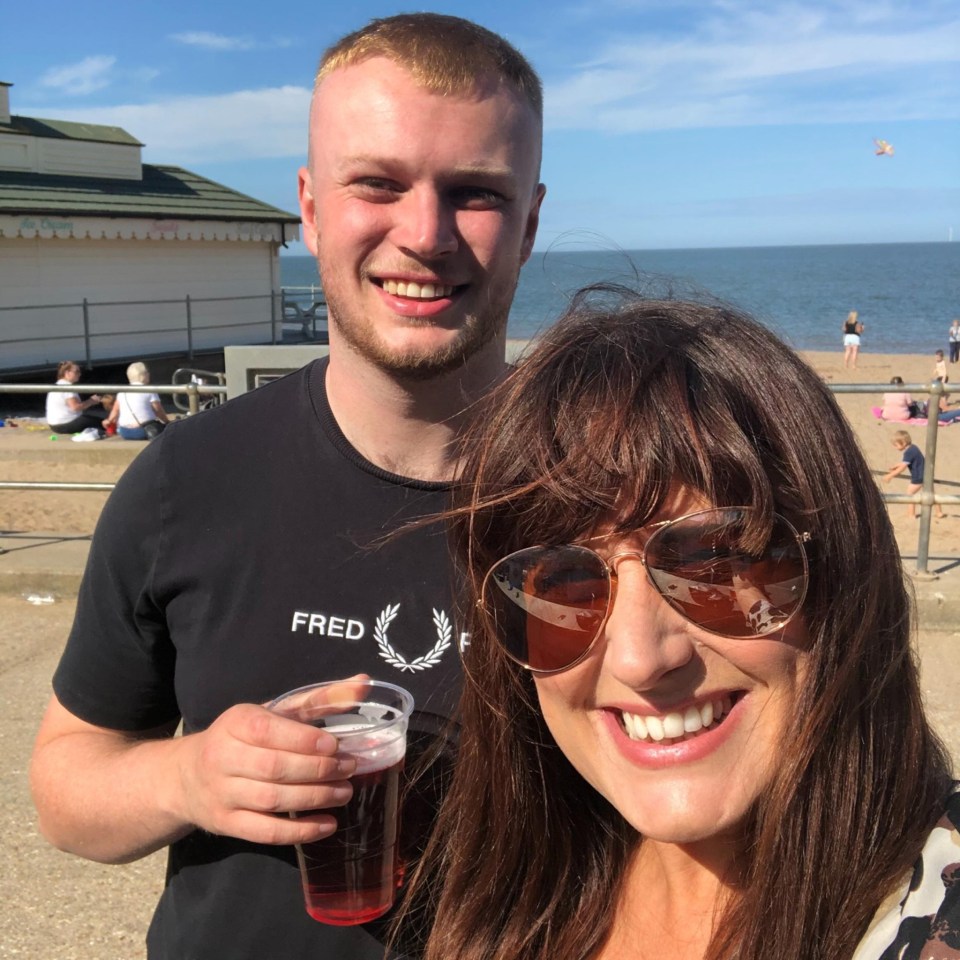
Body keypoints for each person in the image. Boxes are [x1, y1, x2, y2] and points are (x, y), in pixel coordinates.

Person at [29, 13, 544, 960]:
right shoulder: (185, 482)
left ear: (531, 222)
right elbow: (65, 789)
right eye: (377, 184)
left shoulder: (605, 498)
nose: (424, 235)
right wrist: (189, 777)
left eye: (474, 193)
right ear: (309, 208)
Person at [398, 289, 957, 960]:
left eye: (717, 563)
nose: (639, 658)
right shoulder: (514, 891)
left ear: (837, 570)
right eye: (564, 587)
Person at [883, 429, 945, 518]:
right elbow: (906, 462)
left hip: (918, 477)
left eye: (896, 445)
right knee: (931, 493)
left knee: (910, 493)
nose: (895, 448)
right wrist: (896, 465)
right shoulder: (914, 448)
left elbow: (903, 468)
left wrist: (890, 476)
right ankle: (939, 512)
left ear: (903, 443)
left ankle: (911, 514)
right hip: (927, 474)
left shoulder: (908, 453)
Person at [104, 361, 170, 440]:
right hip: (144, 430)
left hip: (125, 431)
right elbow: (158, 410)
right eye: (147, 373)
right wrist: (167, 422)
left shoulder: (122, 392)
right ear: (144, 375)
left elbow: (115, 412)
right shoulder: (149, 390)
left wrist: (108, 421)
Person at [45, 360, 106, 435]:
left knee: (91, 419)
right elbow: (75, 407)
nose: (79, 374)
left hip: (54, 425)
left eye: (79, 371)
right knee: (103, 423)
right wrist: (91, 401)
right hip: (66, 424)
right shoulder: (67, 387)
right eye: (76, 372)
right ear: (67, 373)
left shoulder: (58, 384)